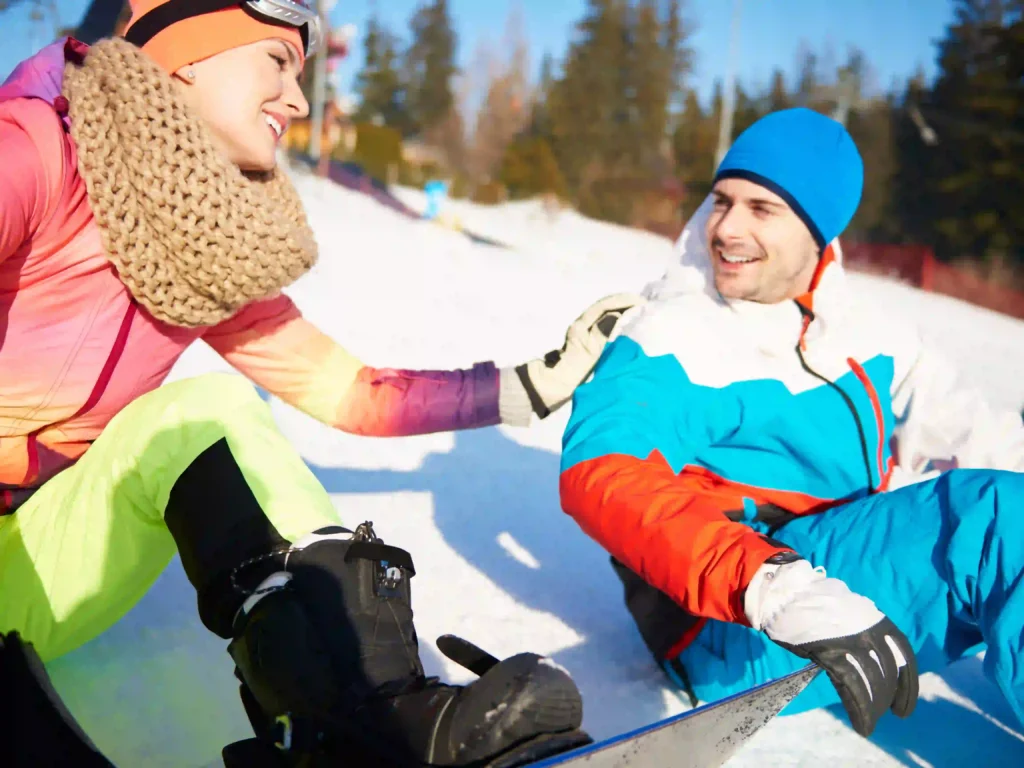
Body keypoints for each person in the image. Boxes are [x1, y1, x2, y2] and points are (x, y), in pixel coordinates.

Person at [0, 1, 645, 764]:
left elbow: (347, 390)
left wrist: (526, 387)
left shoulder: (203, 243)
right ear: (186, 53)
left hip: (34, 571)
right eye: (276, 60)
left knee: (200, 415)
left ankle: (366, 721)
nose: (299, 100)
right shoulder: (33, 152)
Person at [558, 106, 1024, 740]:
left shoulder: (868, 333)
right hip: (733, 620)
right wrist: (768, 585)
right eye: (722, 202)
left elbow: (975, 429)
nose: (726, 228)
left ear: (818, 230)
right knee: (995, 522)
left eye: (762, 209)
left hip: (834, 581)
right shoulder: (672, 335)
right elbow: (600, 470)